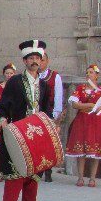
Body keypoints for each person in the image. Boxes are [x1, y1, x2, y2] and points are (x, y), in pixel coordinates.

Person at [0, 40, 53, 201]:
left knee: (34, 172)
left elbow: (46, 109)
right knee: (16, 171)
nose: (34, 61)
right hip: (18, 131)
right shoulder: (15, 82)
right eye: (31, 58)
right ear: (25, 61)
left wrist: (50, 124)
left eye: (38, 58)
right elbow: (3, 105)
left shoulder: (44, 85)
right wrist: (2, 118)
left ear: (41, 60)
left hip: (37, 133)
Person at [65, 63, 101, 187]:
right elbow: (74, 104)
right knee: (80, 150)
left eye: (91, 72)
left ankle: (92, 178)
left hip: (94, 121)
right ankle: (81, 177)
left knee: (95, 150)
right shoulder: (80, 89)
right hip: (82, 120)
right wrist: (89, 106)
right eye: (87, 72)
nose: (88, 74)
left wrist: (89, 106)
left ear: (97, 75)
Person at [38, 51, 64, 182]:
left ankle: (47, 170)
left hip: (49, 113)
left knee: (48, 143)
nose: (40, 63)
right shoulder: (32, 75)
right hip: (35, 113)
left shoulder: (54, 76)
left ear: (47, 61)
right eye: (38, 60)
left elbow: (58, 97)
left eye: (42, 60)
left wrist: (56, 117)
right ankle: (37, 169)